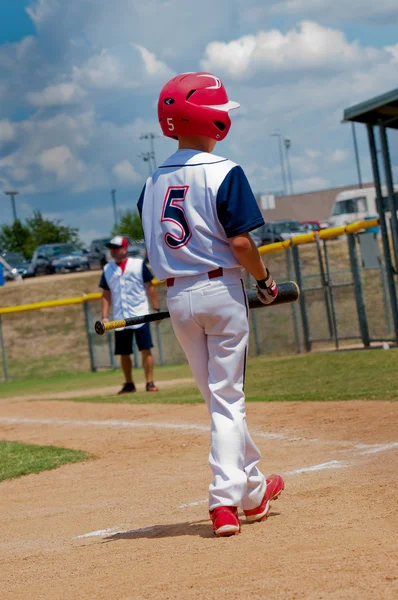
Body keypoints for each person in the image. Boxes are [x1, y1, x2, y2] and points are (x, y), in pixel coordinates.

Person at [137, 72, 284, 537]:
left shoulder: (150, 182)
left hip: (178, 297)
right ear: (209, 118)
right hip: (221, 291)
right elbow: (241, 243)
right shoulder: (224, 170)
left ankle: (254, 490)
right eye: (221, 109)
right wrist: (264, 280)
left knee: (220, 402)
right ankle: (224, 501)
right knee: (228, 402)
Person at [99, 235, 160, 394]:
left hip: (140, 313)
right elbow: (106, 294)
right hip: (120, 316)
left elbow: (150, 287)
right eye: (111, 248)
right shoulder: (107, 269)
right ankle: (129, 383)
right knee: (124, 352)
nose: (112, 251)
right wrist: (105, 316)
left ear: (124, 249)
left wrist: (156, 309)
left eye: (116, 247)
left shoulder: (138, 264)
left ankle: (149, 382)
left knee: (145, 349)